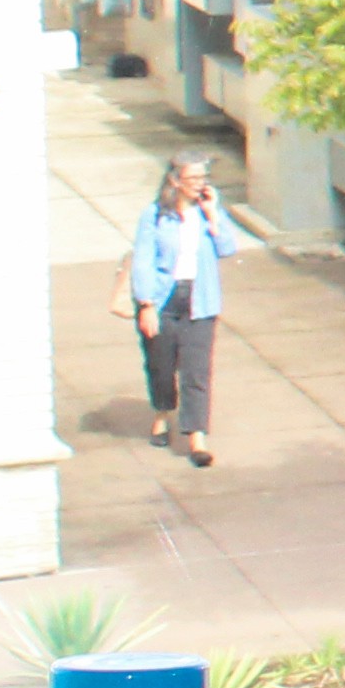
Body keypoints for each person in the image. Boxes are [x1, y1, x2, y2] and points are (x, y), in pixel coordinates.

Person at [126, 155, 235, 469]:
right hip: (163, 298)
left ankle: (197, 437)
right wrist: (146, 305)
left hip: (200, 300)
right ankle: (162, 412)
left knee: (196, 371)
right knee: (161, 366)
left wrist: (213, 216)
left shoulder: (207, 212)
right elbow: (143, 260)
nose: (200, 184)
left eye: (203, 178)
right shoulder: (155, 215)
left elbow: (228, 248)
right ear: (175, 180)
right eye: (193, 179)